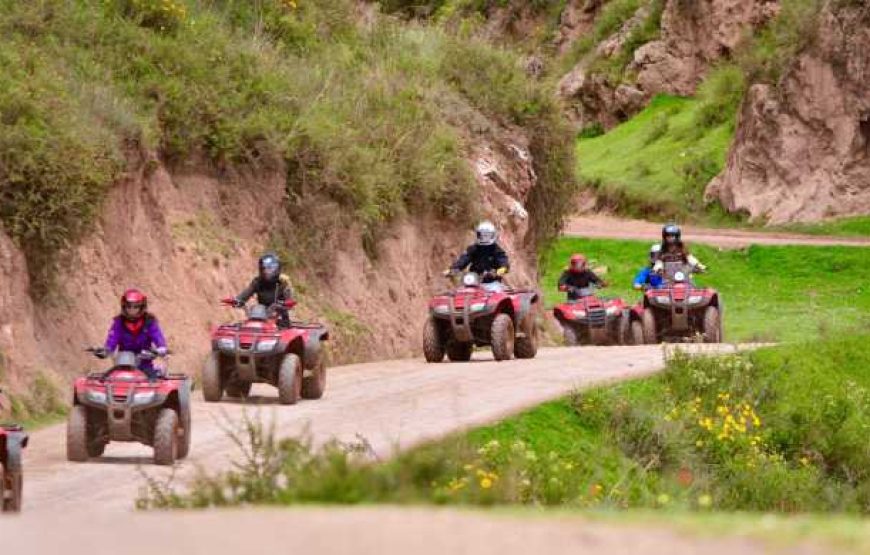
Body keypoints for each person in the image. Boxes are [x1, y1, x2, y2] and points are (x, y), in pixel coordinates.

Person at [97, 289, 168, 379]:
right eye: (128, 306)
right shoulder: (118, 322)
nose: (132, 310)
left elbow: (158, 337)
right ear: (124, 307)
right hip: (122, 366)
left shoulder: (149, 322)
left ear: (142, 307)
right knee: (104, 380)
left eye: (135, 307)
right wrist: (105, 351)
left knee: (153, 384)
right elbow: (112, 340)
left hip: (144, 365)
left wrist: (161, 348)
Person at [234, 253, 295, 326]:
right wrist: (237, 300)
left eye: (270, 268)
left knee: (284, 327)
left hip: (279, 317)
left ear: (277, 269)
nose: (266, 271)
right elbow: (246, 293)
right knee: (243, 326)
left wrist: (285, 303)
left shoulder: (283, 283)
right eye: (264, 268)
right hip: (260, 315)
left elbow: (290, 300)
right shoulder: (257, 282)